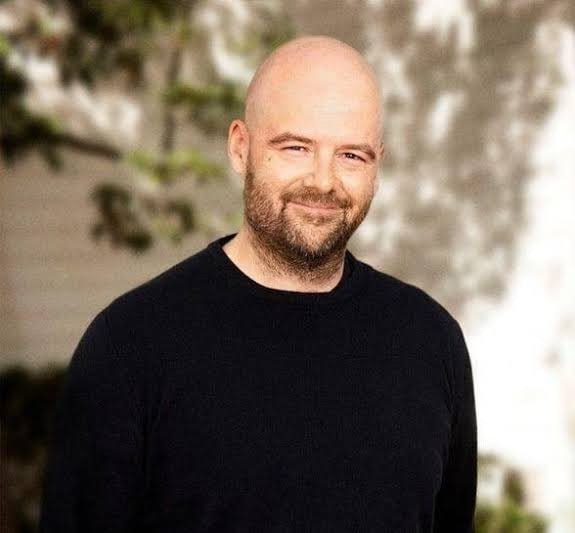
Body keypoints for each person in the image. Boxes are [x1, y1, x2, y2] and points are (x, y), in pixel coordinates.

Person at [39, 35, 477, 532]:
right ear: (240, 147)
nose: (323, 181)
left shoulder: (431, 341)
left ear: (379, 163)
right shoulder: (130, 344)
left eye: (351, 156)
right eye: (296, 148)